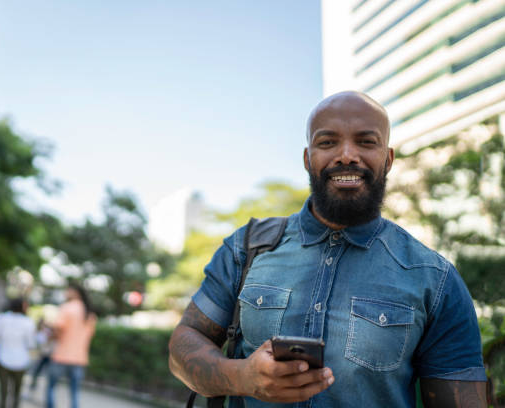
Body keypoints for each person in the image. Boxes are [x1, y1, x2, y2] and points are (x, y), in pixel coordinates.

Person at [168, 91, 487, 407]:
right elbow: (184, 344)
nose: (347, 155)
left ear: (388, 159)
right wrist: (241, 377)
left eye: (366, 141)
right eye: (327, 142)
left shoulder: (435, 278)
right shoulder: (246, 248)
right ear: (308, 159)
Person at [46, 282, 97, 408]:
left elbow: (58, 330)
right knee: (74, 392)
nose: (65, 292)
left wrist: (50, 336)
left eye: (68, 290)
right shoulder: (89, 312)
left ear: (75, 292)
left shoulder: (67, 308)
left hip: (62, 355)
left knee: (51, 387)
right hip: (80, 358)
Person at [0, 298, 36, 408]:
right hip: (21, 361)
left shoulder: (0, 319)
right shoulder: (28, 322)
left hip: (2, 358)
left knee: (3, 392)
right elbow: (31, 344)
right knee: (17, 393)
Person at [29, 318, 53, 391]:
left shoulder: (47, 332)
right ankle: (33, 383)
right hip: (41, 354)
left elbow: (50, 341)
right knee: (37, 370)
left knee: (47, 371)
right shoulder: (37, 333)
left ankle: (48, 386)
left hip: (47, 354)